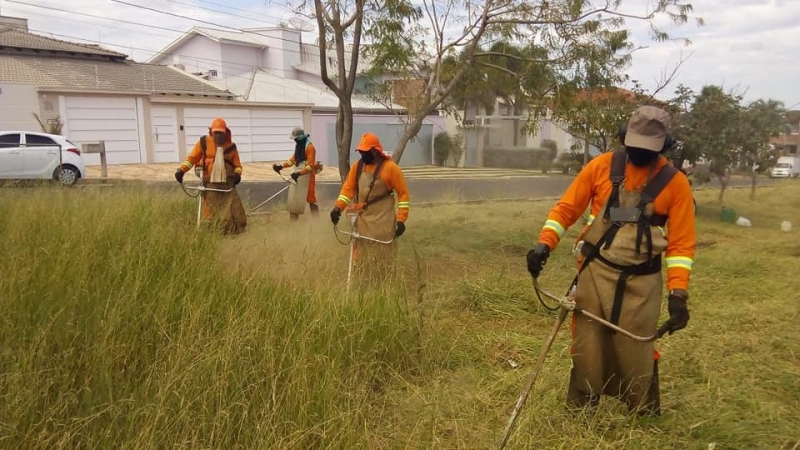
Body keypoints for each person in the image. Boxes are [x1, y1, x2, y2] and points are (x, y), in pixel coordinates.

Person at [526, 105, 696, 416]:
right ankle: (581, 410)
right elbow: (565, 210)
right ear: (624, 139)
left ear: (664, 147)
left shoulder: (675, 183)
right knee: (588, 342)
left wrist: (678, 294)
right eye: (635, 148)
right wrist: (543, 244)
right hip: (595, 272)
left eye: (648, 150)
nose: (640, 155)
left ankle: (642, 410)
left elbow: (682, 245)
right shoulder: (600, 167)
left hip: (643, 282)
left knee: (636, 347)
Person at [329, 132, 410, 281]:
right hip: (364, 220)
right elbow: (347, 190)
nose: (362, 155)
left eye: (364, 152)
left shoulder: (391, 168)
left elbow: (403, 195)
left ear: (374, 151)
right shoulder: (358, 167)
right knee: (363, 256)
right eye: (360, 152)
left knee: (384, 256)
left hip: (383, 220)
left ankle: (385, 284)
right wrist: (338, 208)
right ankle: (364, 283)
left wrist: (401, 220)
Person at [174, 117, 247, 234]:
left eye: (220, 133)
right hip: (210, 185)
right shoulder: (203, 143)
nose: (218, 135)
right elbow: (192, 159)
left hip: (227, 185)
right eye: (215, 133)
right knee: (214, 213)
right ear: (211, 132)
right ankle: (218, 232)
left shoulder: (231, 147)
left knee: (236, 212)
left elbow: (237, 165)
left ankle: (238, 233)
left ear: (225, 132)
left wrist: (237, 174)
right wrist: (181, 170)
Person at [273, 127, 320, 220]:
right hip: (298, 174)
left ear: (300, 138)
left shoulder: (310, 148)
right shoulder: (298, 146)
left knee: (310, 198)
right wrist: (281, 166)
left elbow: (310, 166)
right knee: (295, 196)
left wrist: (298, 174)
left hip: (308, 176)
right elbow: (293, 160)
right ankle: (293, 222)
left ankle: (317, 220)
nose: (294, 140)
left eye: (296, 138)